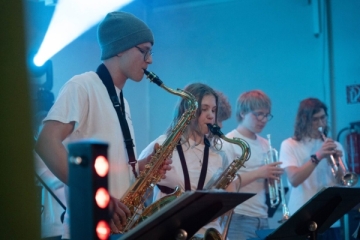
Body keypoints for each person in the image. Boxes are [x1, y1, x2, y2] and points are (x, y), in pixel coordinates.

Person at [35, 11, 171, 239]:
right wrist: (97, 196)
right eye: (144, 50)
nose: (150, 60)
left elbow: (113, 169)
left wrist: (142, 167)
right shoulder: (82, 86)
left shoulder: (122, 101)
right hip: (89, 228)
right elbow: (46, 143)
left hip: (119, 228)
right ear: (120, 47)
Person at [139, 83, 233, 238]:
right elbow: (138, 188)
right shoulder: (163, 144)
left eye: (214, 110)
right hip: (171, 234)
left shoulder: (220, 154)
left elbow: (227, 200)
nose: (211, 115)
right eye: (204, 109)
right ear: (188, 110)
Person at [279, 97, 343, 240]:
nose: (321, 123)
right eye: (315, 119)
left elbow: (343, 182)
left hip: (331, 219)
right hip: (301, 218)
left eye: (323, 118)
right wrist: (319, 156)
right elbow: (294, 179)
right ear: (304, 119)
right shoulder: (290, 145)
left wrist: (337, 162)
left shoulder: (335, 145)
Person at [224, 90, 284, 240]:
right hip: (239, 216)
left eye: (267, 115)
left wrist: (272, 179)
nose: (263, 119)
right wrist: (260, 173)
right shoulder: (229, 142)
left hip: (262, 216)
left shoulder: (265, 144)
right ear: (243, 113)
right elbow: (225, 185)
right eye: (258, 114)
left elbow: (268, 188)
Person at [34, 111, 66, 240]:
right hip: (53, 228)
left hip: (68, 224)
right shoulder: (34, 156)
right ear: (37, 134)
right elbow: (54, 182)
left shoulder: (63, 152)